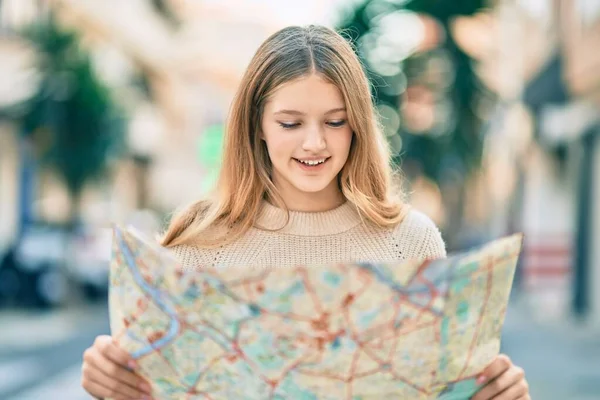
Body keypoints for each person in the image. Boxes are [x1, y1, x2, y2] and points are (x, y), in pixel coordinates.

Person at [81, 25, 530, 400]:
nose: (314, 142)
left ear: (357, 123)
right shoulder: (200, 245)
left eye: (335, 121)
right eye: (290, 123)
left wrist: (496, 392)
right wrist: (113, 379)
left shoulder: (410, 240)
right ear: (256, 123)